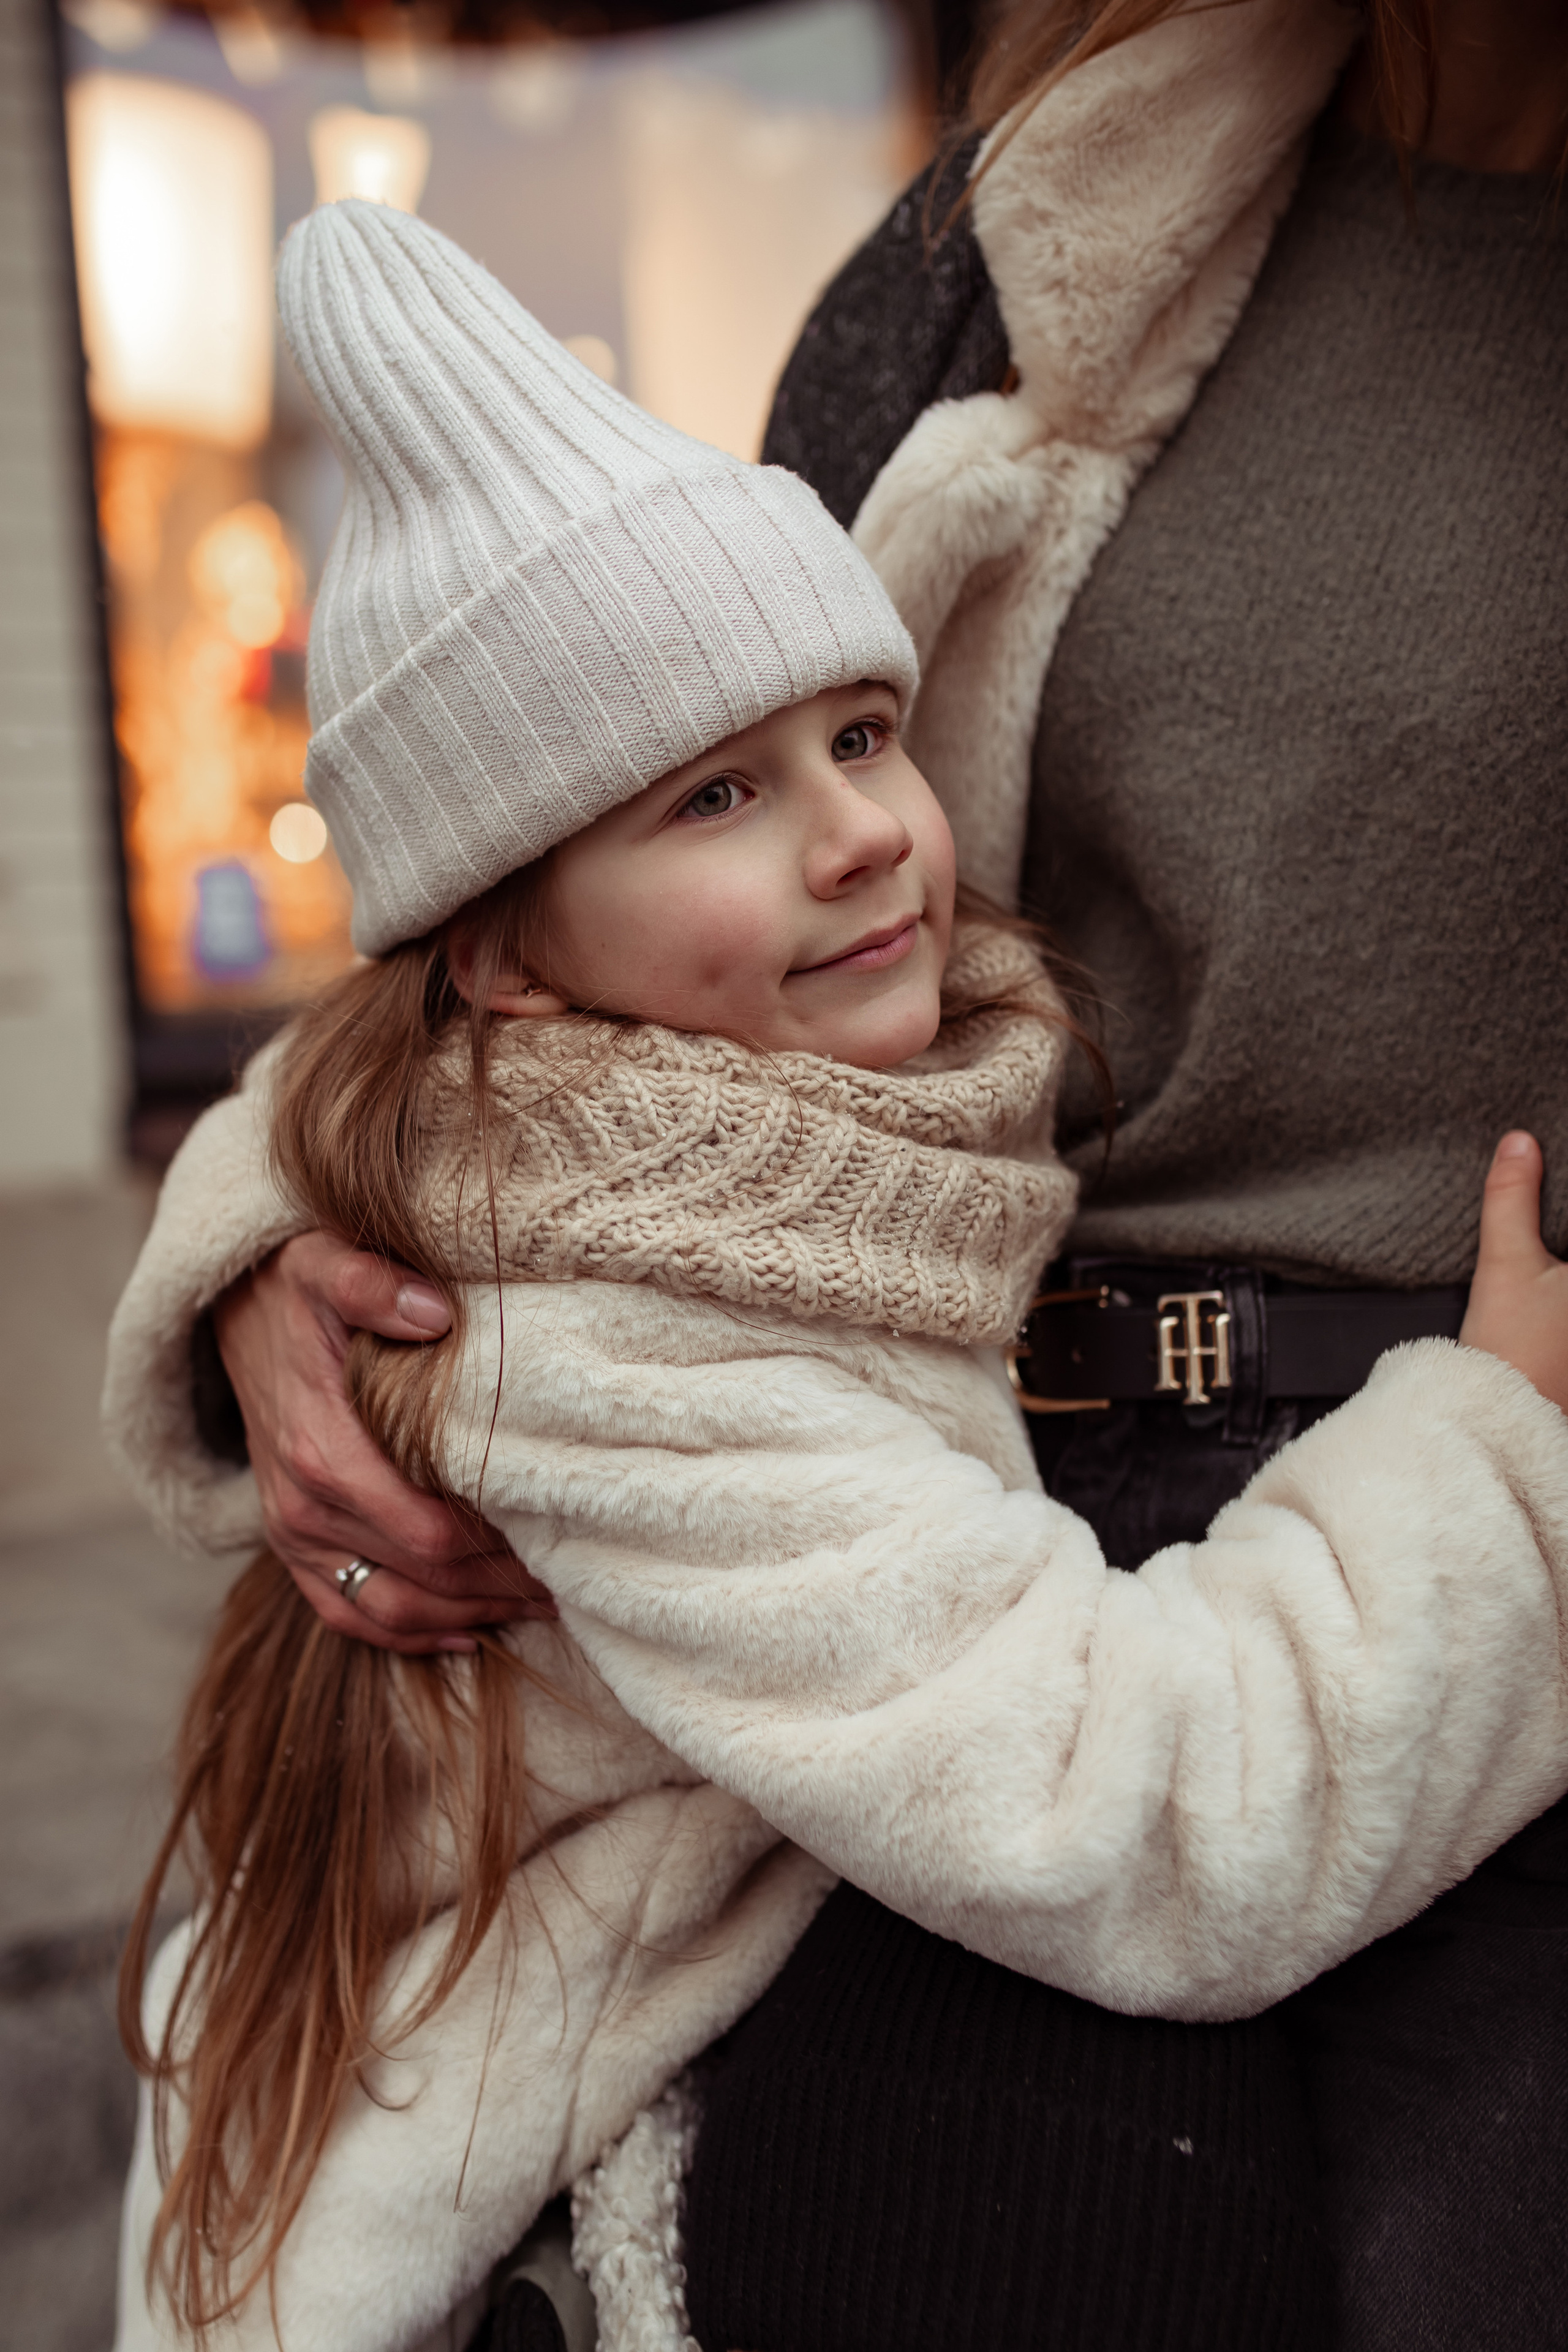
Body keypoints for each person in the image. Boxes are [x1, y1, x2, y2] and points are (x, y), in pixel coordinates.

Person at [104, 0, 1568, 2344]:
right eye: (735, 790)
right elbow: (509, 952)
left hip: (1311, 1587)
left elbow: (577, 946)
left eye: (869, 732)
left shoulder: (752, 1149)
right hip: (1077, 1597)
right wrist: (294, 1222)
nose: (876, 830)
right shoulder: (1025, 234)